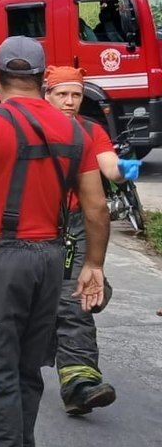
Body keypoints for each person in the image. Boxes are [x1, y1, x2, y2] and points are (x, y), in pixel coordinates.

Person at [0, 37, 108, 447]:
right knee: (25, 367)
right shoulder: (75, 129)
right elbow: (96, 205)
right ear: (41, 78)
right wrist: (93, 264)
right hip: (51, 259)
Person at [43, 65, 138, 415]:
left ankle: (79, 382)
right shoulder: (30, 127)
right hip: (31, 225)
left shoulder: (89, 130)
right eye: (62, 94)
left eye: (76, 95)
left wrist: (128, 168)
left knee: (74, 297)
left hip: (74, 225)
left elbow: (109, 166)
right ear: (46, 93)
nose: (70, 101)